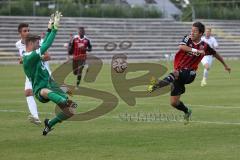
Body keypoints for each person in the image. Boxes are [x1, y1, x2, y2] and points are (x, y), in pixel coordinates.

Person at [148, 22, 231, 124]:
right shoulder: (187, 39)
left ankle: (156, 85)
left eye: (195, 31)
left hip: (190, 74)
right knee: (174, 103)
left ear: (201, 33)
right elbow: (181, 47)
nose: (192, 33)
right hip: (179, 74)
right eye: (191, 30)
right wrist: (196, 50)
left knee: (176, 73)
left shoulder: (204, 46)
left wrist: (225, 65)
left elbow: (215, 53)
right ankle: (187, 111)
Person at [22, 11, 77, 136]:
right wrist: (55, 28)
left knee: (71, 109)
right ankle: (63, 102)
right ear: (30, 44)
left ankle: (49, 124)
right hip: (40, 90)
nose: (39, 45)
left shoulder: (34, 54)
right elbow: (47, 44)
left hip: (51, 85)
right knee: (45, 91)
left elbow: (44, 41)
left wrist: (50, 26)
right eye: (37, 43)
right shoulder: (29, 57)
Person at [16, 23, 50, 125]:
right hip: (31, 74)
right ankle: (35, 117)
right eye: (25, 31)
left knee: (48, 92)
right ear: (20, 33)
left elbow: (48, 57)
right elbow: (25, 57)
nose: (27, 32)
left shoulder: (37, 42)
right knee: (28, 92)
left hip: (42, 72)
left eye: (28, 30)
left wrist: (35, 58)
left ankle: (64, 95)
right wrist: (23, 60)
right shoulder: (18, 44)